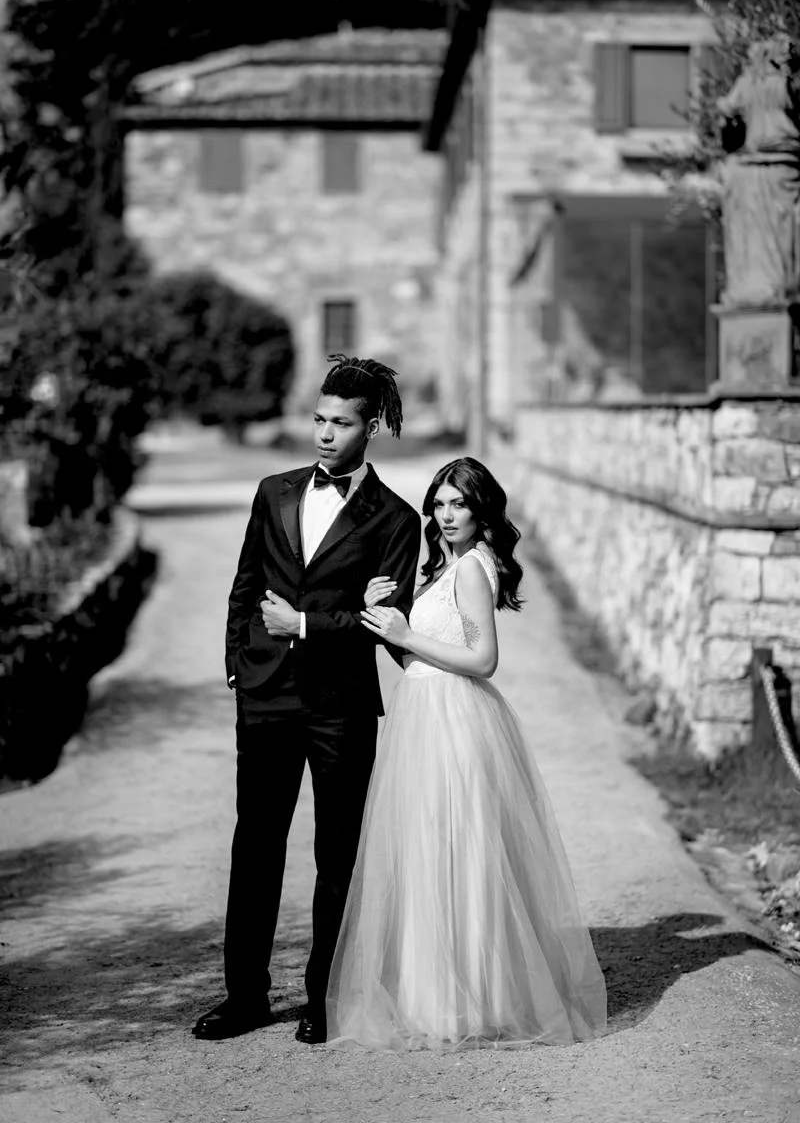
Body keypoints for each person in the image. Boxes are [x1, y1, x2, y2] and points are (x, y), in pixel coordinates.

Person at [325, 457, 607, 1050]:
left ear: (483, 513)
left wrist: (404, 635)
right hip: (424, 713)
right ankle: (439, 996)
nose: (446, 514)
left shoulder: (474, 569)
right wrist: (385, 620)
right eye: (440, 503)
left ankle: (471, 997)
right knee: (429, 853)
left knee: (460, 852)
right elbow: (422, 654)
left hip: (455, 720)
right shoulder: (442, 568)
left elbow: (483, 660)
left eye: (459, 504)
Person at [193, 355, 421, 1045]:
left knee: (338, 852)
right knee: (255, 845)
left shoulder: (396, 521)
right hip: (264, 695)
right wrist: (239, 665)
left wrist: (308, 626)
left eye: (340, 423)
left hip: (341, 704)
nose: (324, 433)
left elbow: (390, 622)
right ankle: (246, 997)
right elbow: (245, 583)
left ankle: (326, 996)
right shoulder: (275, 491)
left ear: (370, 427)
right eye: (319, 419)